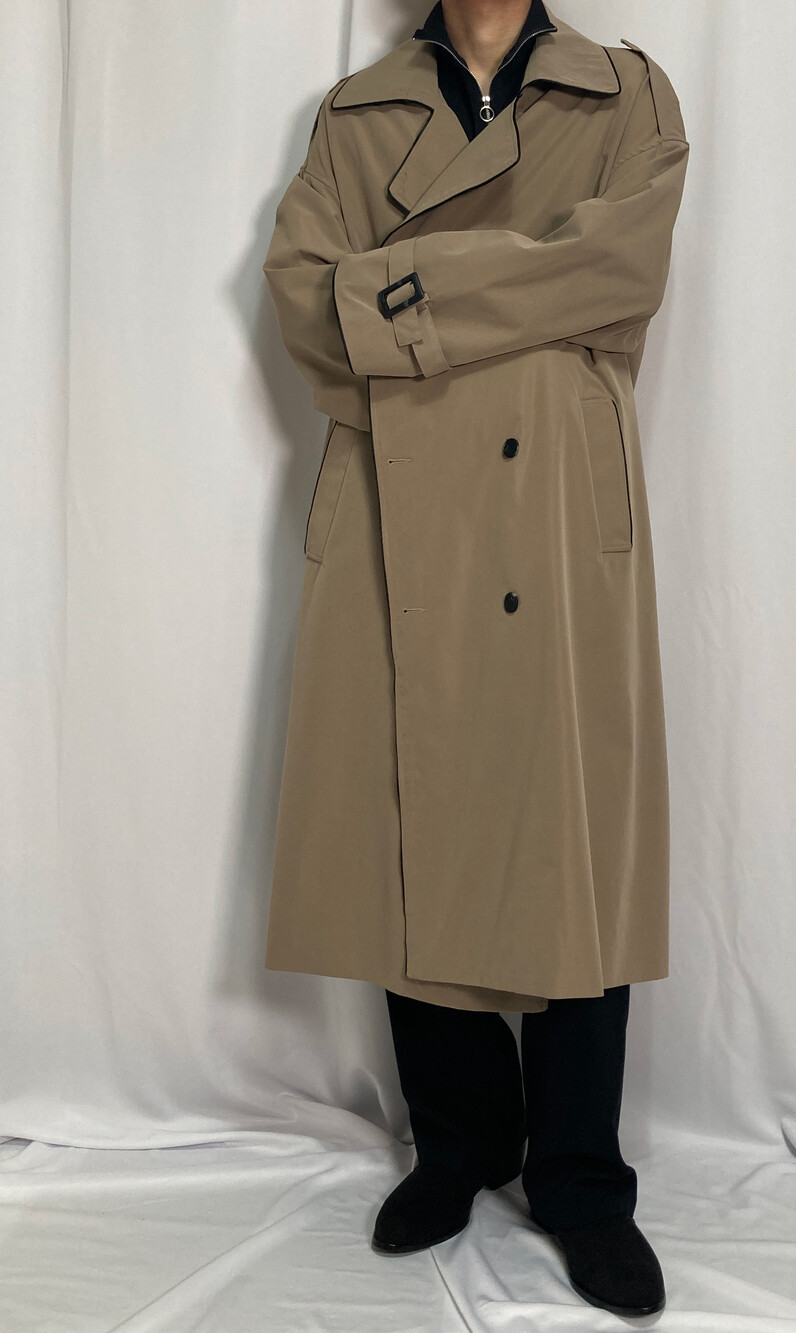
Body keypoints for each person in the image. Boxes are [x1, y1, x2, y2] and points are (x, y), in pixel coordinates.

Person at [261, 0, 689, 1317]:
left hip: (556, 504)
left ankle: (580, 1177)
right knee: (410, 812)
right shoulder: (355, 115)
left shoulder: (627, 93)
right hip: (397, 507)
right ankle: (458, 1142)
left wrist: (404, 293)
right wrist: (525, 284)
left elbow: (619, 274)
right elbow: (306, 305)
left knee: (574, 828)